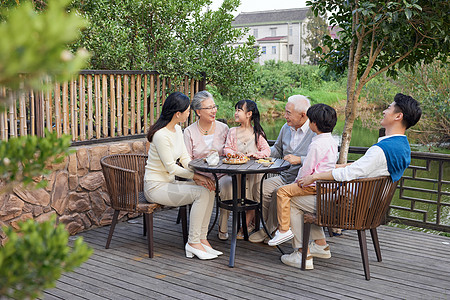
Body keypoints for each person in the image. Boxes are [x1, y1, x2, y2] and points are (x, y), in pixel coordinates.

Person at [281, 93, 422, 270]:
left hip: (350, 208)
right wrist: (340, 166)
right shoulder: (401, 147)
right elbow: (363, 166)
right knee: (309, 198)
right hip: (370, 208)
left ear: (398, 116)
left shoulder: (381, 150)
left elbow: (348, 174)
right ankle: (320, 244)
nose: (384, 111)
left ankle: (301, 254)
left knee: (293, 201)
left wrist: (315, 176)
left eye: (389, 108)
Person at [143, 92, 221, 260]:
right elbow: (171, 168)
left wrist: (199, 176)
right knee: (200, 192)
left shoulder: (178, 129)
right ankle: (192, 243)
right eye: (187, 110)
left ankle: (202, 239)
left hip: (169, 185)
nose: (189, 112)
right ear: (177, 114)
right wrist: (196, 177)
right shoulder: (161, 135)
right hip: (155, 187)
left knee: (209, 188)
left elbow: (185, 158)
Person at [268, 104, 338, 247]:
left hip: (311, 185)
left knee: (282, 192)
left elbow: (307, 168)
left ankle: (284, 229)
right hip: (325, 185)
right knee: (286, 192)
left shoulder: (317, 144)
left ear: (314, 124)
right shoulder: (331, 140)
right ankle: (319, 244)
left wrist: (296, 182)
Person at [249, 95, 315, 243]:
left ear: (303, 115)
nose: (285, 116)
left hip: (302, 180)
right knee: (260, 188)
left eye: (288, 113)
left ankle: (272, 229)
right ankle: (269, 227)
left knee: (278, 193)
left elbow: (321, 159)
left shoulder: (314, 129)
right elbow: (277, 149)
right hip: (285, 175)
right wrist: (261, 153)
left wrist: (300, 159)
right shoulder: (286, 127)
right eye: (285, 112)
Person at [183, 90, 232, 241]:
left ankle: (222, 227)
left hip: (221, 174)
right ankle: (199, 234)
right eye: (209, 108)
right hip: (198, 176)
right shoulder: (189, 132)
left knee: (230, 185)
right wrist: (197, 178)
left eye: (214, 106)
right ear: (198, 111)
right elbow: (186, 162)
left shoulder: (224, 128)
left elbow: (229, 153)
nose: (214, 110)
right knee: (206, 189)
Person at [223, 99, 270, 238]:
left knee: (252, 198)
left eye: (239, 110)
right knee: (240, 198)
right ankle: (245, 225)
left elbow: (267, 150)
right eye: (236, 110)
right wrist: (233, 153)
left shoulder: (257, 132)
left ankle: (244, 228)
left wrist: (256, 154)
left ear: (249, 114)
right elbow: (226, 148)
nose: (236, 113)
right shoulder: (232, 131)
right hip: (238, 174)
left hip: (254, 175)